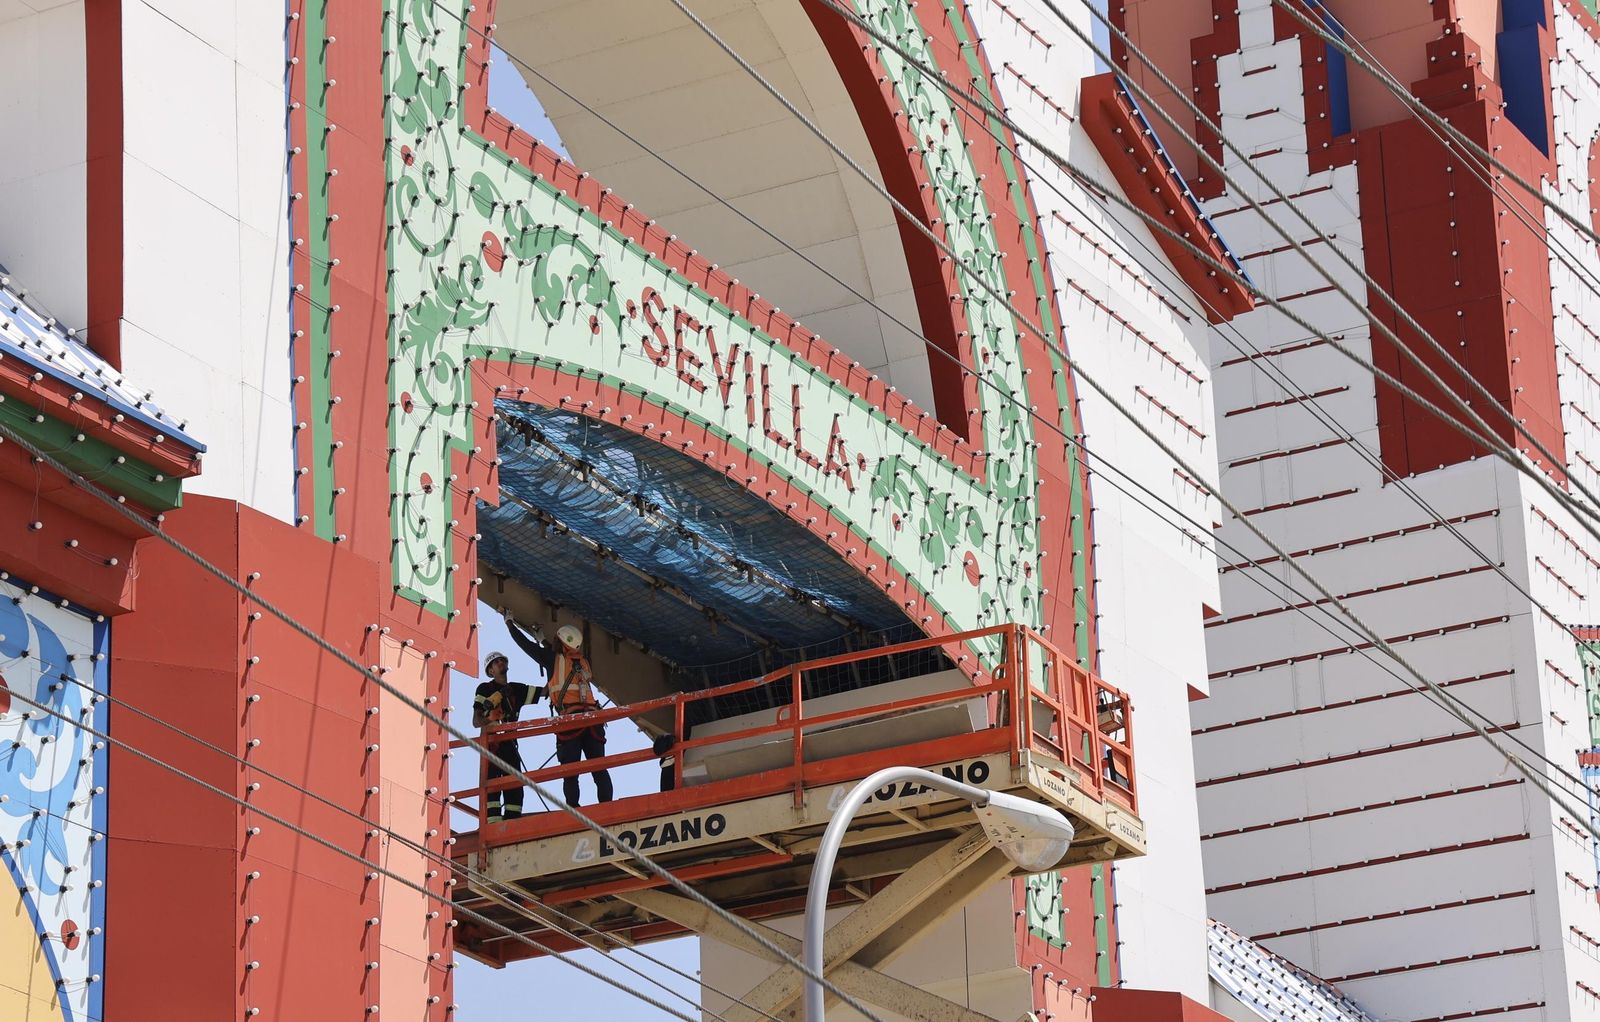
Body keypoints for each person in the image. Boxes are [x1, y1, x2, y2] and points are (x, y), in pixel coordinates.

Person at [505, 614, 614, 807]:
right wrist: (542, 639)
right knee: (599, 767)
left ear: (561, 643)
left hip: (571, 722)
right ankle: (607, 805)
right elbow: (557, 657)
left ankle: (573, 808)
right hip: (593, 721)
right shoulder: (582, 662)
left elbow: (525, 646)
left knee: (570, 772)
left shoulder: (553, 659)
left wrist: (509, 622)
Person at [472, 649, 543, 823]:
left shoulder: (516, 690)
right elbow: (476, 721)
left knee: (515, 787)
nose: (501, 663)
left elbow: (545, 692)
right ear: (490, 671)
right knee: (493, 788)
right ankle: (493, 825)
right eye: (496, 662)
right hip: (492, 747)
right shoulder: (485, 688)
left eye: (503, 660)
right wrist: (490, 718)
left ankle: (513, 822)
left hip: (510, 746)